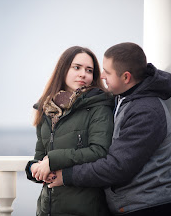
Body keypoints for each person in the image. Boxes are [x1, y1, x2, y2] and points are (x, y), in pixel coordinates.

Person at [46, 42, 171, 216]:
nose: (101, 76)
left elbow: (118, 167)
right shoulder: (123, 97)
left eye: (107, 72)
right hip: (130, 207)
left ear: (126, 77)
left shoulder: (147, 111)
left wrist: (65, 176)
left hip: (146, 209)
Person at [25, 46, 114, 216]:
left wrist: (53, 160)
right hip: (47, 209)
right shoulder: (46, 110)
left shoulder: (99, 106)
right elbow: (39, 156)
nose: (83, 74)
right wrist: (33, 169)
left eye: (89, 70)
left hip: (85, 207)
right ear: (63, 69)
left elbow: (100, 151)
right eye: (77, 67)